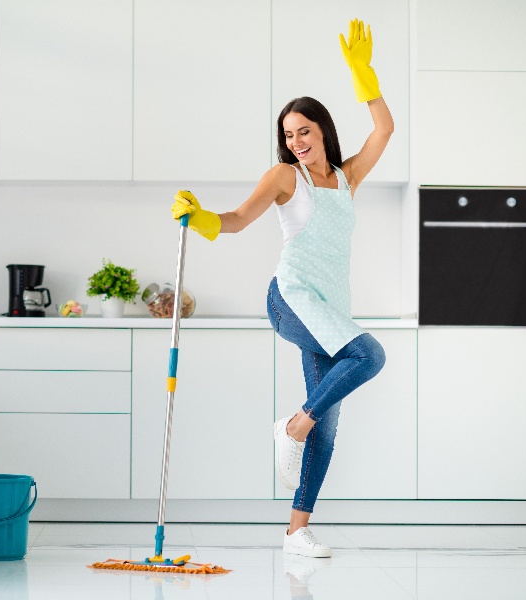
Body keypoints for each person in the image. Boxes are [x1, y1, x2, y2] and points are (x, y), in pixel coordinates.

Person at [171, 19, 393, 558]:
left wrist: (364, 75)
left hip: (331, 307)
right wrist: (199, 218)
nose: (295, 143)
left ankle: (296, 530)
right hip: (291, 297)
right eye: (289, 135)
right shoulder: (282, 176)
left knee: (330, 423)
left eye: (304, 132)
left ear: (323, 131)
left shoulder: (346, 177)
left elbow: (384, 131)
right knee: (370, 355)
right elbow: (237, 220)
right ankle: (292, 427)